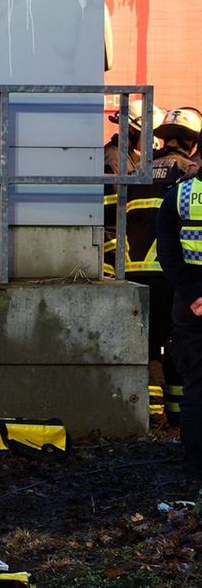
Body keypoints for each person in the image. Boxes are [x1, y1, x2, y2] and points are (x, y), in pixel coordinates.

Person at [127, 108, 201, 430]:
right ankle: (176, 416)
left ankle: (148, 414)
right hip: (170, 275)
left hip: (133, 271)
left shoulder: (141, 169)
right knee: (176, 347)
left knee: (146, 345)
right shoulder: (186, 175)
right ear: (191, 142)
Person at [154, 124, 202, 486]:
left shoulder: (182, 194)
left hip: (191, 302)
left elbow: (168, 252)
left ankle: (194, 471)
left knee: (196, 387)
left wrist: (192, 296)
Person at [103, 100, 166, 276]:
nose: (152, 139)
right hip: (111, 259)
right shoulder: (114, 161)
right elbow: (114, 216)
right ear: (131, 130)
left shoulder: (131, 159)